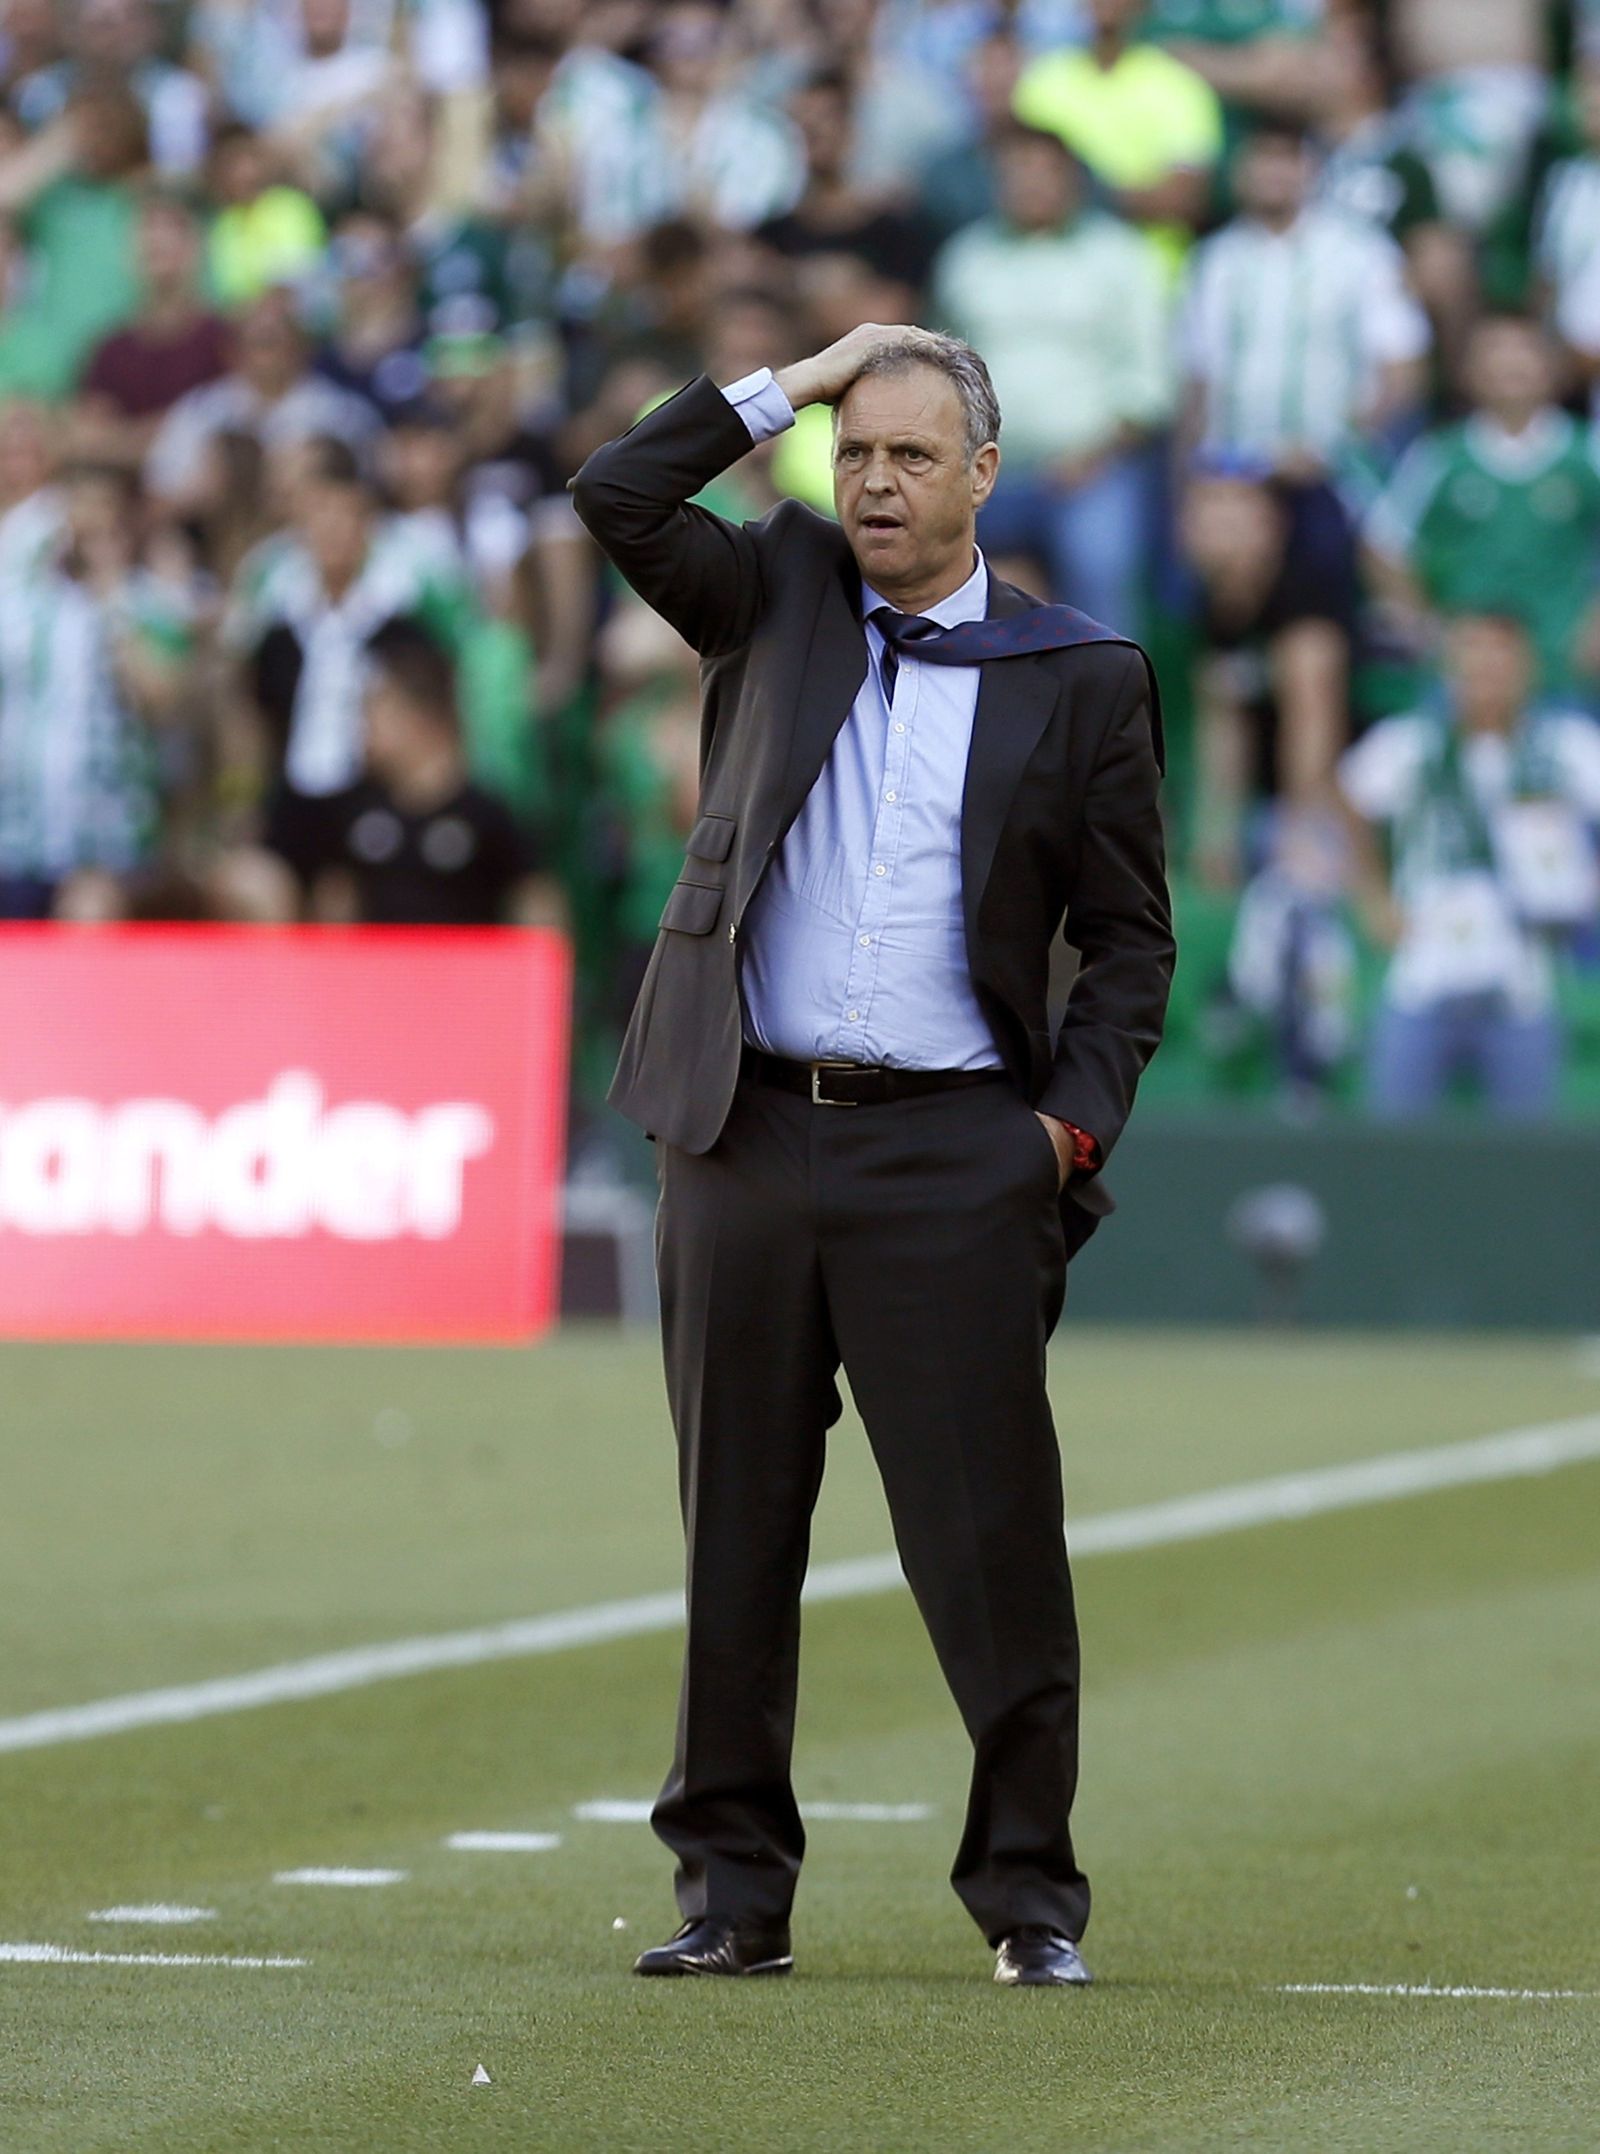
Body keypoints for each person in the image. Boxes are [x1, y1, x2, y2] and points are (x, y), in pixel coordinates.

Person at [571, 323, 1173, 1986]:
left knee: (987, 1537)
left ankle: (1031, 1896)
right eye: (856, 451)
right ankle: (731, 1894)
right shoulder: (778, 588)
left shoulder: (1085, 673)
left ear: (986, 473)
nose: (876, 479)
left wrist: (1060, 1130)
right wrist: (803, 371)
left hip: (954, 1154)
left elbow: (1131, 944)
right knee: (735, 1527)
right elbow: (616, 489)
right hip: (743, 1128)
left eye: (911, 453)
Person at [1339, 612, 1600, 1120]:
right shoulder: (1413, 743)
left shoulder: (1561, 746)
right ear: (1449, 668)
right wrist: (1371, 895)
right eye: (1473, 657)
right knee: (1393, 1156)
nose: (1486, 672)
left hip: (1521, 976)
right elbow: (1348, 797)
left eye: (1500, 658)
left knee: (1525, 1166)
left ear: (1528, 669)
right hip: (1423, 971)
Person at [933, 123, 1172, 630]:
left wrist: (1091, 458)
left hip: (1094, 469)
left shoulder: (1122, 257)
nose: (1031, 185)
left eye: (1045, 173)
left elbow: (1148, 383)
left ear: (1073, 181)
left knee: (1100, 564)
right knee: (934, 571)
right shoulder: (966, 259)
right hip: (986, 473)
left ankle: (1115, 703)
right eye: (1017, 173)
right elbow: (943, 374)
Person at [1365, 314, 1600, 698]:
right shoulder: (1439, 456)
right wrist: (1425, 625)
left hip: (1565, 671)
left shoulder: (1587, 452)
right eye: (1494, 352)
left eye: (1524, 351)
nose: (1510, 363)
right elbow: (1382, 545)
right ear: (1467, 371)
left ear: (1553, 367)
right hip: (1461, 677)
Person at [312, 617, 556, 928]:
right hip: (377, 970)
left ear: (421, 716)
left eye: (375, 711)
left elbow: (535, 902)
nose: (363, 728)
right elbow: (334, 904)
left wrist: (531, 964)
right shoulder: (355, 810)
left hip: (468, 970)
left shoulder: (485, 815)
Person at [1012, 0, 1224, 275]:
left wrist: (1087, 194)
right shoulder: (1043, 79)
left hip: (1151, 275)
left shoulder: (1178, 83)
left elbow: (1183, 199)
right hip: (1049, 274)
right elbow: (1022, 186)